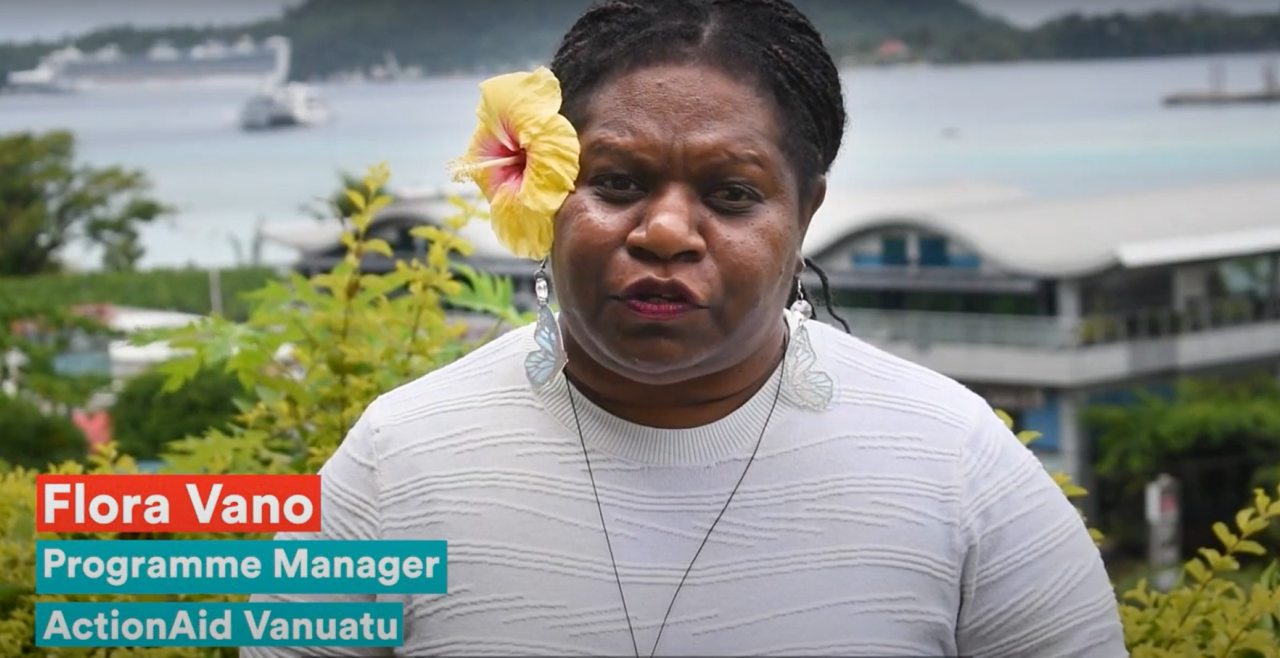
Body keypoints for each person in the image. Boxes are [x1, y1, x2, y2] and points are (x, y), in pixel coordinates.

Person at [245, 0, 1128, 656]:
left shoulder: (956, 465)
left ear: (805, 211)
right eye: (619, 182)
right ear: (547, 185)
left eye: (731, 194)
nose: (664, 232)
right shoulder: (399, 464)